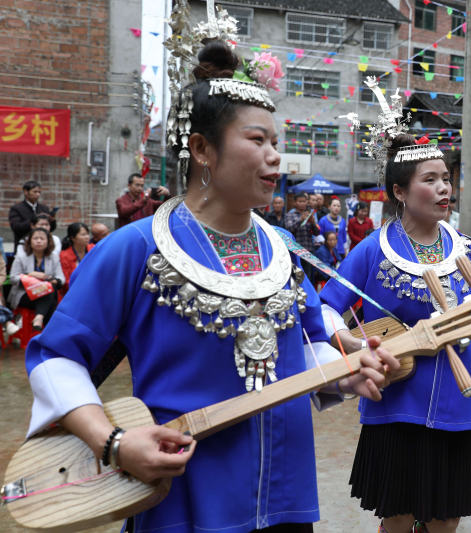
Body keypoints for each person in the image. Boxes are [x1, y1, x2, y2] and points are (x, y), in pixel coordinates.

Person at [23, 37, 396, 533]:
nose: (275, 158)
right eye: (258, 141)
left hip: (286, 494)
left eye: (276, 144)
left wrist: (346, 373)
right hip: (186, 496)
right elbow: (57, 357)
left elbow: (306, 344)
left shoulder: (281, 248)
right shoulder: (135, 248)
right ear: (202, 149)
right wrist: (112, 441)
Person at [319, 127, 471, 532]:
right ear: (400, 191)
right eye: (429, 180)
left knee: (447, 520)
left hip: (458, 400)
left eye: (446, 178)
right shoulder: (373, 249)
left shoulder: (469, 248)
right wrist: (362, 347)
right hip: (398, 402)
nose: (443, 188)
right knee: (397, 516)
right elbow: (326, 310)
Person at [9, 227, 64, 330]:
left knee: (49, 289)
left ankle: (39, 317)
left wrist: (49, 278)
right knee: (51, 294)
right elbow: (13, 277)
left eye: (42, 239)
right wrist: (30, 275)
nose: (39, 241)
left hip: (46, 293)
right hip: (24, 294)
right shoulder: (21, 256)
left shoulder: (53, 257)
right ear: (30, 241)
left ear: (48, 241)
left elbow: (61, 277)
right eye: (35, 238)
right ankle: (48, 331)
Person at [9, 180, 56, 246]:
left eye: (39, 192)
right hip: (24, 244)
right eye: (35, 192)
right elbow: (16, 227)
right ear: (26, 192)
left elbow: (51, 228)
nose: (38, 194)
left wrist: (52, 220)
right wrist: (34, 220)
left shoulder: (44, 208)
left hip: (43, 245)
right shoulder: (16, 208)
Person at [59, 222, 94, 293]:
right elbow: (66, 281)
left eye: (87, 234)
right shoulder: (64, 255)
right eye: (83, 235)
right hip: (73, 290)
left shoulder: (93, 249)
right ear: (72, 238)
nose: (87, 237)